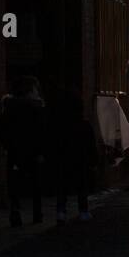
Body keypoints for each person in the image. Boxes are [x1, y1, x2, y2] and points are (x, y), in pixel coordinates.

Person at [0, 75, 46, 227]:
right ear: (31, 90)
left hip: (14, 151)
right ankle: (37, 213)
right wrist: (41, 151)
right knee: (36, 183)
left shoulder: (9, 107)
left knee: (14, 183)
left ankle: (15, 212)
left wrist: (7, 146)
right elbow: (42, 131)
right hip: (33, 152)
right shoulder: (37, 108)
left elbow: (1, 130)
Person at [46, 83, 95, 225]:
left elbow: (51, 142)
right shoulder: (83, 124)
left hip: (62, 158)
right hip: (80, 159)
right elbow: (89, 144)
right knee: (81, 185)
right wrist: (92, 160)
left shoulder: (56, 126)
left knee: (62, 186)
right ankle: (83, 211)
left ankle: (61, 212)